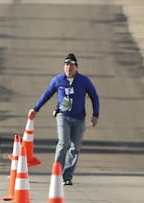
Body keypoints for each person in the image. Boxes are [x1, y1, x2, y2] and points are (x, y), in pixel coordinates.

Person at [28, 53, 99, 186]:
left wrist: (95, 114)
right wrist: (35, 108)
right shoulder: (58, 80)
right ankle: (56, 172)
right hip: (63, 116)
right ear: (63, 67)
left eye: (71, 65)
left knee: (75, 148)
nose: (69, 68)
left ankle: (67, 176)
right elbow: (47, 94)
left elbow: (94, 96)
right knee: (64, 142)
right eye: (66, 65)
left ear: (76, 67)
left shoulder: (84, 81)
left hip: (79, 118)